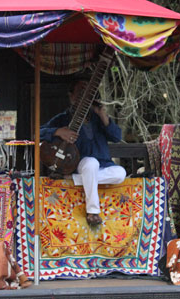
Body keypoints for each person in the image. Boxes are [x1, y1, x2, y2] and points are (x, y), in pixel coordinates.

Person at [40, 80, 126, 226]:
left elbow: (117, 137)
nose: (85, 96)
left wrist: (103, 115)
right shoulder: (63, 118)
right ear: (71, 96)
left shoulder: (98, 118)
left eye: (89, 93)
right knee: (91, 163)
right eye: (81, 92)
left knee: (120, 174)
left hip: (104, 164)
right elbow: (38, 133)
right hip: (81, 163)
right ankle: (93, 212)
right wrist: (58, 131)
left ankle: (70, 178)